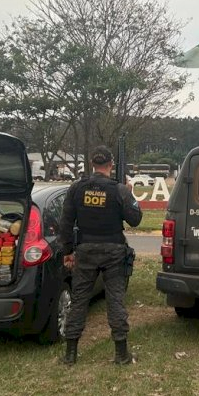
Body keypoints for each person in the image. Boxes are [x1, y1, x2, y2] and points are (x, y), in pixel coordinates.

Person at [59, 145, 142, 366]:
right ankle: (121, 354)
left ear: (92, 163)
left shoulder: (76, 188)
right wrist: (130, 192)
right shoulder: (119, 190)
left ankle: (70, 354)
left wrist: (67, 251)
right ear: (111, 165)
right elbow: (135, 219)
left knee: (79, 301)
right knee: (115, 300)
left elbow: (65, 223)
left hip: (85, 250)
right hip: (114, 250)